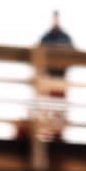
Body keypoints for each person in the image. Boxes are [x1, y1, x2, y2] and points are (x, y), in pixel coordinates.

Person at [30, 10, 74, 142]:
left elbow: (73, 55)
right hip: (48, 78)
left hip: (60, 78)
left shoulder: (64, 37)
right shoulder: (47, 37)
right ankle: (46, 132)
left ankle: (58, 133)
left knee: (59, 106)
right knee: (47, 106)